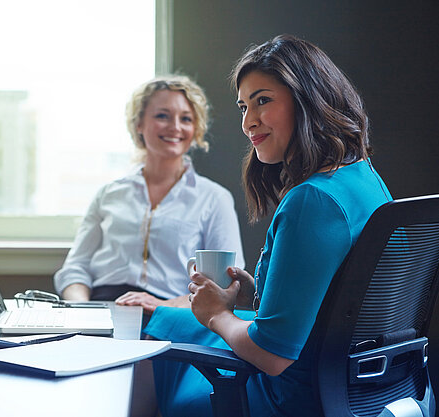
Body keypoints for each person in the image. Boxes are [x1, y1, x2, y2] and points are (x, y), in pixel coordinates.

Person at [144, 34, 392, 416]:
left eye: (263, 100)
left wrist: (216, 314)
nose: (248, 122)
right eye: (243, 106)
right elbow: (335, 302)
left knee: (157, 336)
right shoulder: (363, 179)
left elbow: (272, 355)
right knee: (165, 317)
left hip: (289, 396)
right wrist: (251, 294)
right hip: (355, 387)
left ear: (309, 99)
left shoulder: (312, 200)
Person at [53, 75, 245, 314]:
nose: (175, 127)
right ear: (139, 125)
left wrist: (163, 307)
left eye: (186, 118)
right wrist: (83, 312)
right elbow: (75, 268)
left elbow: (225, 284)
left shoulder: (215, 198)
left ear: (195, 128)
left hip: (171, 313)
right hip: (102, 309)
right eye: (162, 116)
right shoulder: (108, 194)